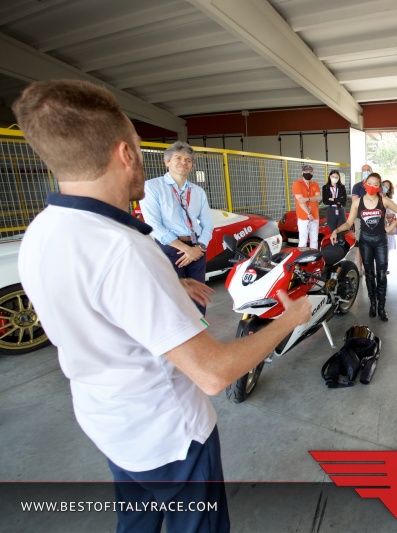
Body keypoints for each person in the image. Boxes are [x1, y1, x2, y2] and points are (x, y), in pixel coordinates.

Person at [13, 80, 311, 532]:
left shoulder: (42, 232)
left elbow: (99, 305)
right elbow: (212, 374)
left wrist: (168, 286)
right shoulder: (125, 251)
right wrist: (288, 320)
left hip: (110, 425)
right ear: (126, 153)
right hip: (170, 437)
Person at [139, 141, 213, 315]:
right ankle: (181, 338)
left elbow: (207, 224)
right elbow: (153, 225)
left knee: (199, 295)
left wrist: (199, 247)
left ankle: (200, 331)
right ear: (167, 162)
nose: (184, 162)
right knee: (173, 297)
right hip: (169, 249)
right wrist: (185, 249)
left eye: (188, 160)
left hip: (197, 248)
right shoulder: (152, 187)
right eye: (178, 158)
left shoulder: (198, 191)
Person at [330, 173, 397, 321]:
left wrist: (390, 228)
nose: (372, 186)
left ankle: (381, 307)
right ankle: (372, 304)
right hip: (365, 241)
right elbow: (349, 223)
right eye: (369, 183)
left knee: (382, 275)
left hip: (381, 241)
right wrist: (336, 230)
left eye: (376, 184)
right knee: (369, 274)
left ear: (379, 186)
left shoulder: (384, 200)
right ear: (365, 183)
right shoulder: (357, 203)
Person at [292, 164, 321, 248]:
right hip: (303, 217)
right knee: (303, 241)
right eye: (306, 171)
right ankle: (302, 260)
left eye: (310, 171)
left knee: (314, 240)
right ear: (302, 172)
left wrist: (307, 199)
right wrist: (309, 214)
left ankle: (314, 259)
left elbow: (318, 197)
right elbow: (300, 201)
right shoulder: (297, 184)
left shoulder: (315, 184)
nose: (308, 173)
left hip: (315, 216)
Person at [350, 164, 372, 271]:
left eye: (368, 170)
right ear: (361, 172)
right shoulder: (357, 186)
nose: (366, 171)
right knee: (359, 243)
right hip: (359, 219)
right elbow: (355, 202)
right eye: (364, 170)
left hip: (373, 219)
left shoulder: (376, 186)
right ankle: (359, 267)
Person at [322, 169, 347, 233]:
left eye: (336, 177)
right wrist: (338, 200)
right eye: (333, 177)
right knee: (332, 229)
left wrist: (333, 199)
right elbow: (325, 201)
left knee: (343, 228)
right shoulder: (325, 187)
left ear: (339, 178)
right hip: (331, 210)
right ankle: (333, 241)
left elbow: (344, 200)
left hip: (340, 209)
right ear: (330, 177)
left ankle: (341, 242)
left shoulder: (342, 187)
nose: (334, 178)